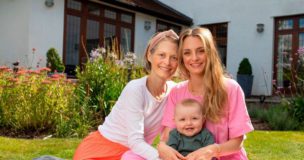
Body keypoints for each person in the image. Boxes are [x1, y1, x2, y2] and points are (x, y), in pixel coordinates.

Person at [73, 29, 179, 160]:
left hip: (134, 155)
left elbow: (166, 138)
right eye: (161, 55)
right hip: (101, 151)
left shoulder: (174, 91)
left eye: (174, 57)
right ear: (149, 56)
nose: (167, 62)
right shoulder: (136, 89)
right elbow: (136, 142)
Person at [158, 27, 254, 160]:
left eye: (200, 51)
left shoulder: (231, 89)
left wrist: (213, 151)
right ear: (181, 57)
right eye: (187, 53)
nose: (194, 58)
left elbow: (237, 142)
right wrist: (162, 146)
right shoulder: (177, 92)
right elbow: (167, 138)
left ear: (210, 52)